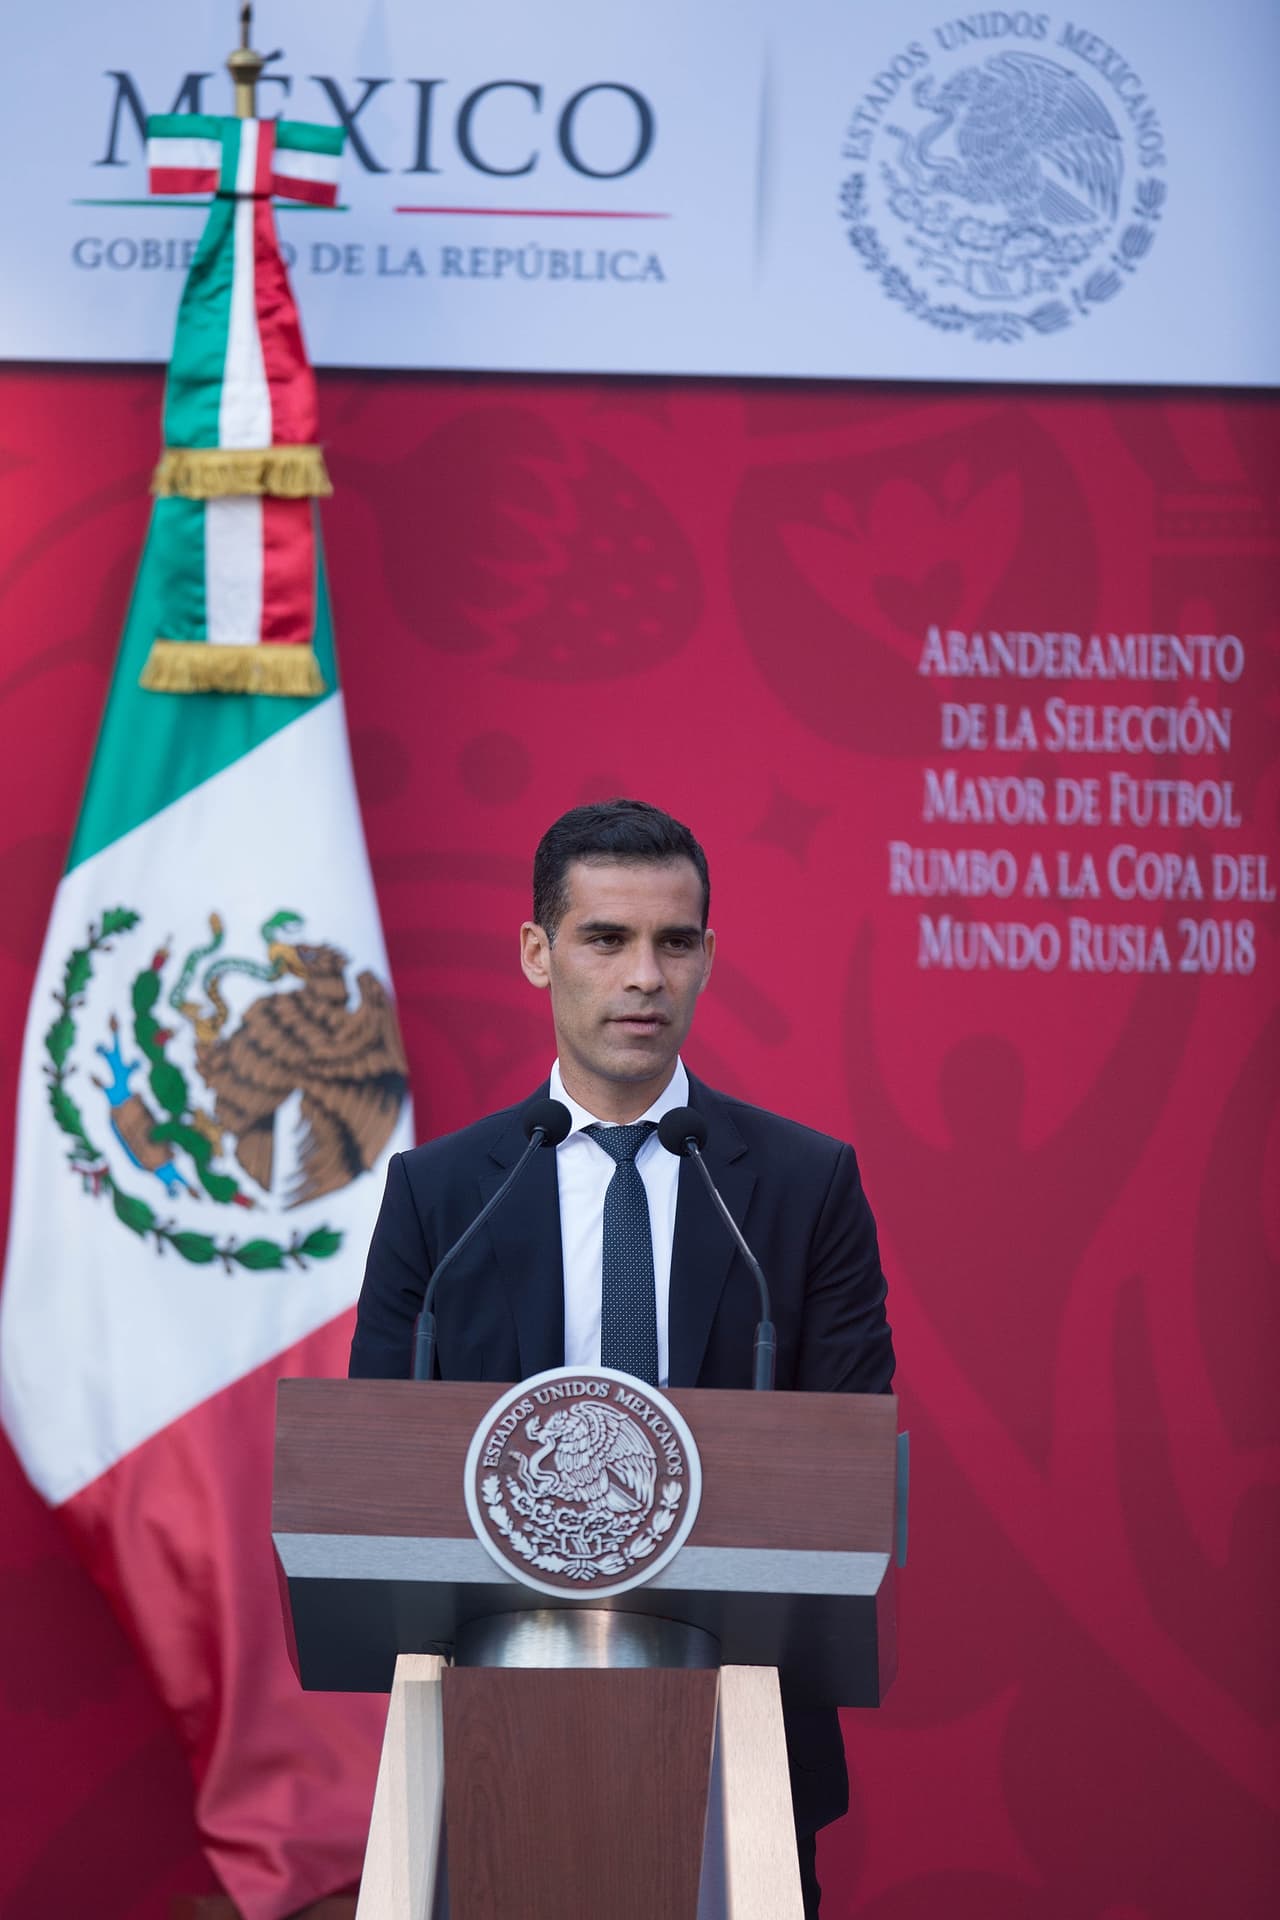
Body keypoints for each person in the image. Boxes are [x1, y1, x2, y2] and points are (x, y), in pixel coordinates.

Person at [350, 798, 896, 1917]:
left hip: (741, 1728)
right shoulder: (442, 1198)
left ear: (704, 958)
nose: (644, 975)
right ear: (538, 953)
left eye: (674, 941)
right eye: (606, 939)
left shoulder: (801, 1190)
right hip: (489, 1729)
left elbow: (844, 1455)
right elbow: (376, 1465)